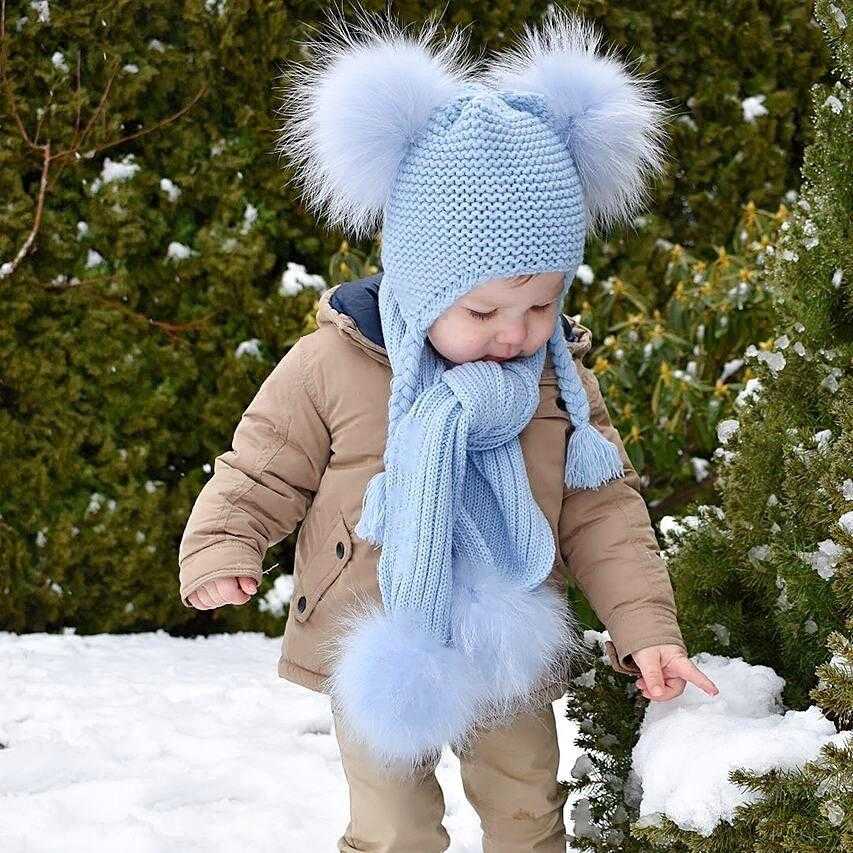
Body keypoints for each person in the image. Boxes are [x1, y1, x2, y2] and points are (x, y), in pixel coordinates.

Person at [178, 6, 719, 851]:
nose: (516, 331)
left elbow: (603, 510)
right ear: (423, 281)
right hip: (377, 634)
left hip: (510, 637)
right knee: (390, 822)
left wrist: (646, 628)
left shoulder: (558, 382)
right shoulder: (331, 364)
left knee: (526, 806)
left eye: (542, 302)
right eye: (483, 309)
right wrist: (221, 548)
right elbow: (259, 471)